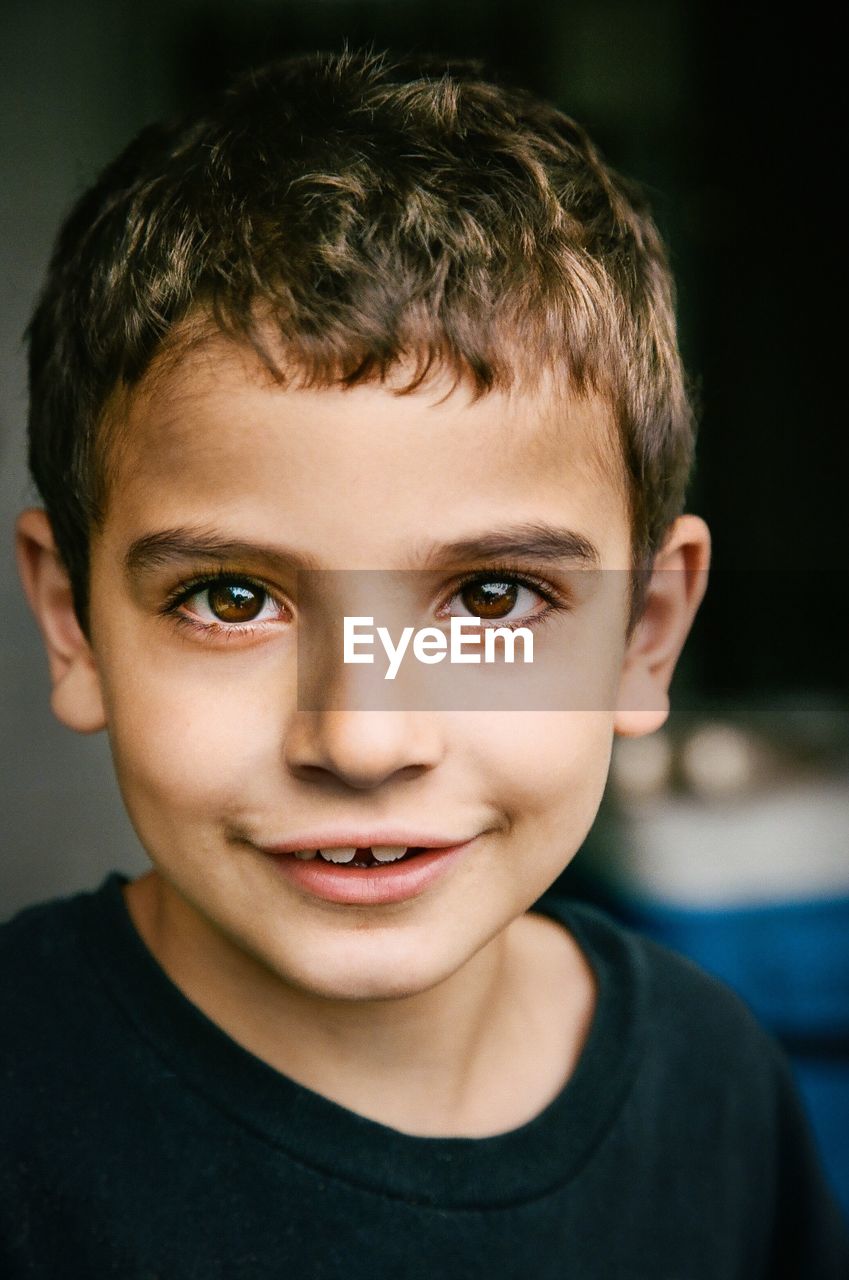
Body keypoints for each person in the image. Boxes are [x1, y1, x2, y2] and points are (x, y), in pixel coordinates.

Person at [4, 48, 847, 1278]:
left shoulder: (717, 1082)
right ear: (73, 622)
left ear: (646, 631)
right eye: (232, 597)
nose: (363, 736)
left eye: (494, 596)